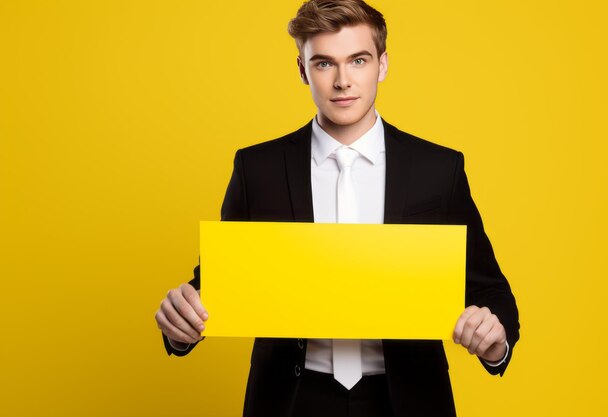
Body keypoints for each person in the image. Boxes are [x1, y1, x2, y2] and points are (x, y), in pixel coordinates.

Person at [155, 1, 520, 416]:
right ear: (302, 70)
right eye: (325, 63)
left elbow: (490, 289)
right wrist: (181, 324)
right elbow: (217, 286)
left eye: (358, 60)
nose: (343, 81)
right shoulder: (258, 169)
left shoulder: (438, 170)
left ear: (382, 64)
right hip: (291, 401)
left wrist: (496, 340)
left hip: (407, 399)